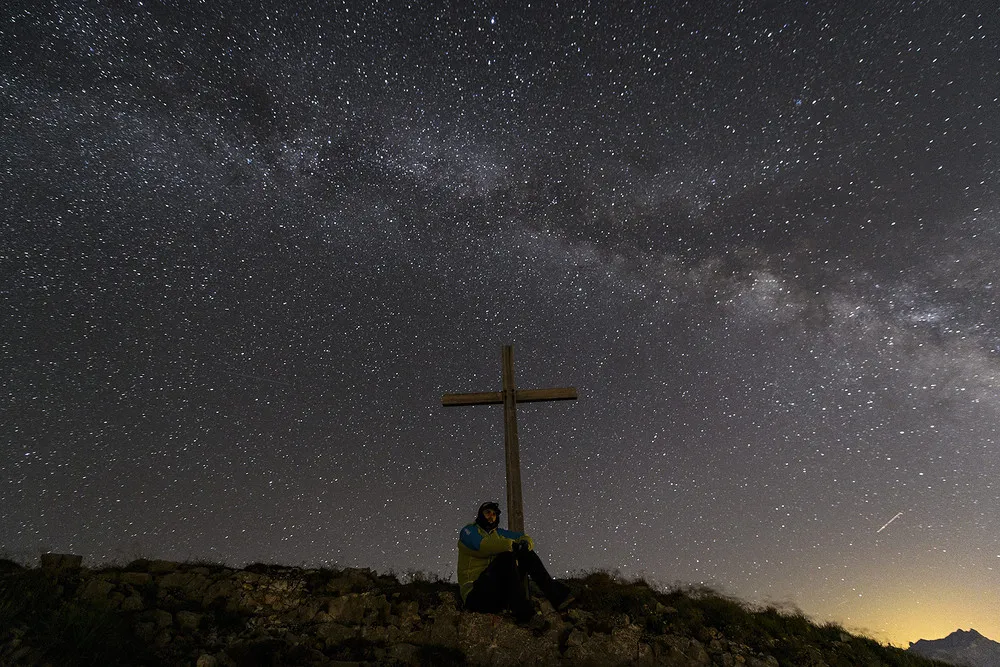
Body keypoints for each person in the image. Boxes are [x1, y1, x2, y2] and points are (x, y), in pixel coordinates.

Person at [456, 501, 574, 622]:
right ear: (480, 515)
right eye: (487, 513)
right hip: (476, 596)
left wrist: (525, 543)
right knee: (506, 556)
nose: (491, 516)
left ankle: (557, 597)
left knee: (525, 553)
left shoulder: (499, 533)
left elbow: (522, 536)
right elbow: (482, 545)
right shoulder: (468, 531)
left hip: (496, 595)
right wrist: (512, 545)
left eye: (494, 514)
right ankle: (525, 614)